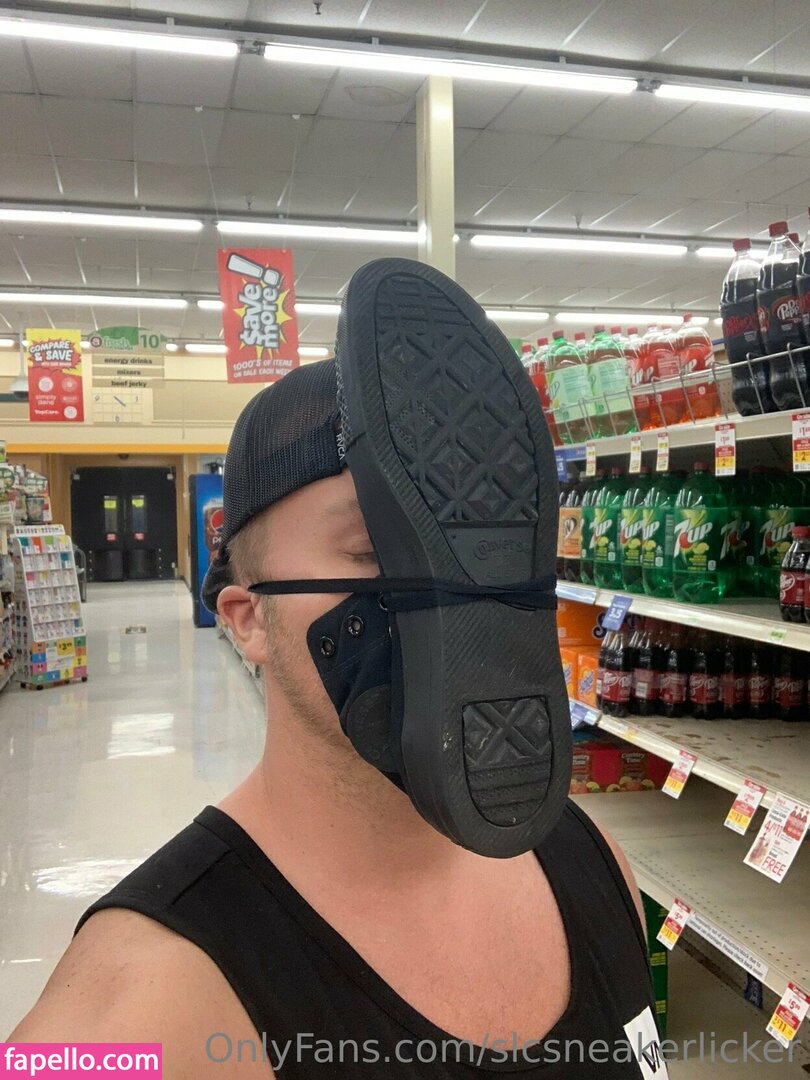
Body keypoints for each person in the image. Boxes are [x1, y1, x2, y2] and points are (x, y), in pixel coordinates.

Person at [10, 260, 664, 1077]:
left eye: (471, 538)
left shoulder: (596, 862)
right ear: (248, 619)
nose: (451, 588)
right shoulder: (135, 1006)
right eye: (375, 548)